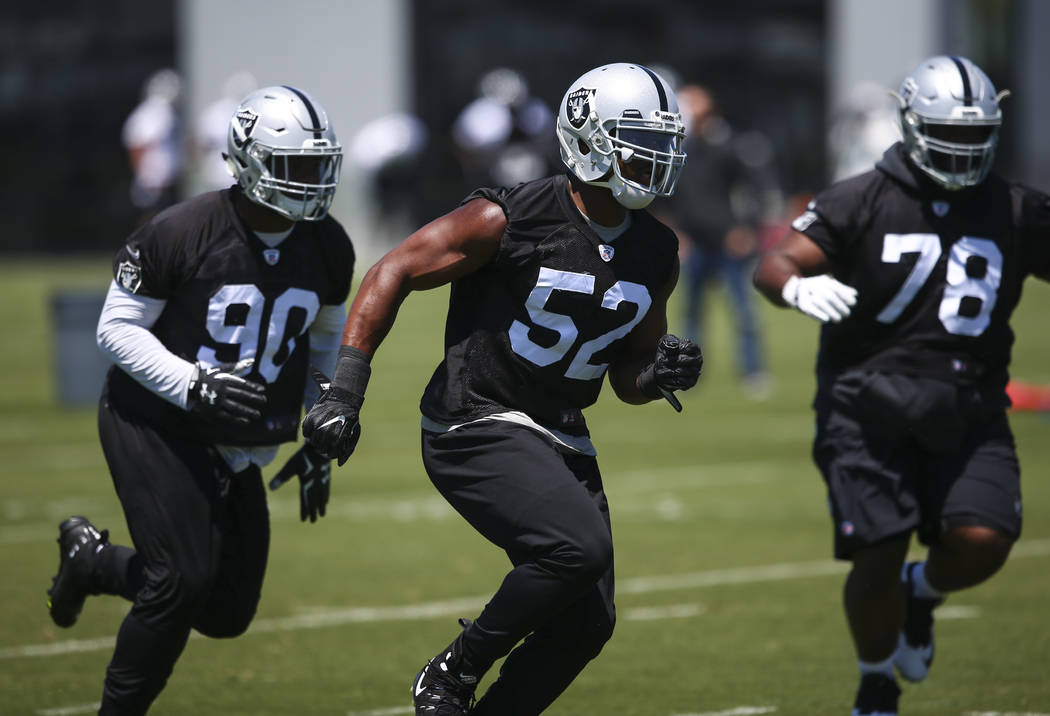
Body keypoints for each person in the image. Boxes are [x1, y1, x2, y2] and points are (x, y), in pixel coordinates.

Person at [301, 62, 703, 715]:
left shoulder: (657, 249)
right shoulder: (509, 215)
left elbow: (628, 375)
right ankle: (455, 672)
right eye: (639, 140)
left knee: (586, 623)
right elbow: (394, 268)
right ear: (588, 138)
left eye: (663, 142)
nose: (656, 158)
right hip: (476, 418)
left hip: (561, 431)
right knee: (576, 550)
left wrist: (659, 374)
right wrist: (345, 390)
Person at [753, 55, 1050, 716]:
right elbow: (775, 262)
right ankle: (875, 681)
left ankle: (924, 592)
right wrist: (796, 285)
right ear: (913, 126)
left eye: (977, 137)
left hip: (971, 405)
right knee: (877, 551)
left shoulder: (1013, 205)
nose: (964, 150)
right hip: (867, 405)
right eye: (951, 135)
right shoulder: (862, 197)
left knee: (985, 541)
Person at [46, 85, 354, 715]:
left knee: (228, 611)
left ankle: (94, 561)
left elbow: (325, 341)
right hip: (155, 418)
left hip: (240, 435)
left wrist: (325, 415)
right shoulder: (181, 230)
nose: (309, 183)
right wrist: (191, 383)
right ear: (246, 160)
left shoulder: (327, 245)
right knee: (179, 582)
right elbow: (116, 329)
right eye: (293, 167)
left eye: (318, 167)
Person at [661, 84, 777, 398]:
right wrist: (677, 231)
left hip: (728, 244)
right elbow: (673, 198)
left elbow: (756, 189)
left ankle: (754, 371)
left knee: (743, 312)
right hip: (695, 244)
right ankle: (688, 376)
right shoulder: (680, 149)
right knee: (692, 316)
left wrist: (746, 229)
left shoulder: (728, 145)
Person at [121, 69, 184, 226]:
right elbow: (138, 145)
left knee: (165, 219)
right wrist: (145, 176)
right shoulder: (154, 112)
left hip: (162, 180)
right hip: (154, 181)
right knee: (153, 220)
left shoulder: (164, 112)